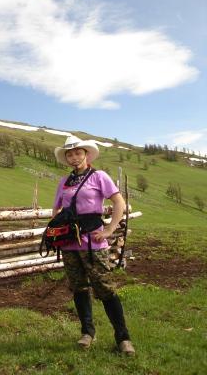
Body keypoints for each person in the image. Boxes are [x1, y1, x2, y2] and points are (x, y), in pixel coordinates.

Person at [52, 135, 135, 356]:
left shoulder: (99, 176)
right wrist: (57, 231)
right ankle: (87, 332)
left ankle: (123, 337)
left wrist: (109, 230)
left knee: (105, 289)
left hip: (93, 243)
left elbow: (119, 203)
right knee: (78, 288)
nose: (74, 157)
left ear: (86, 155)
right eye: (69, 154)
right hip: (70, 244)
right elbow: (56, 211)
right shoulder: (63, 182)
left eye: (78, 152)